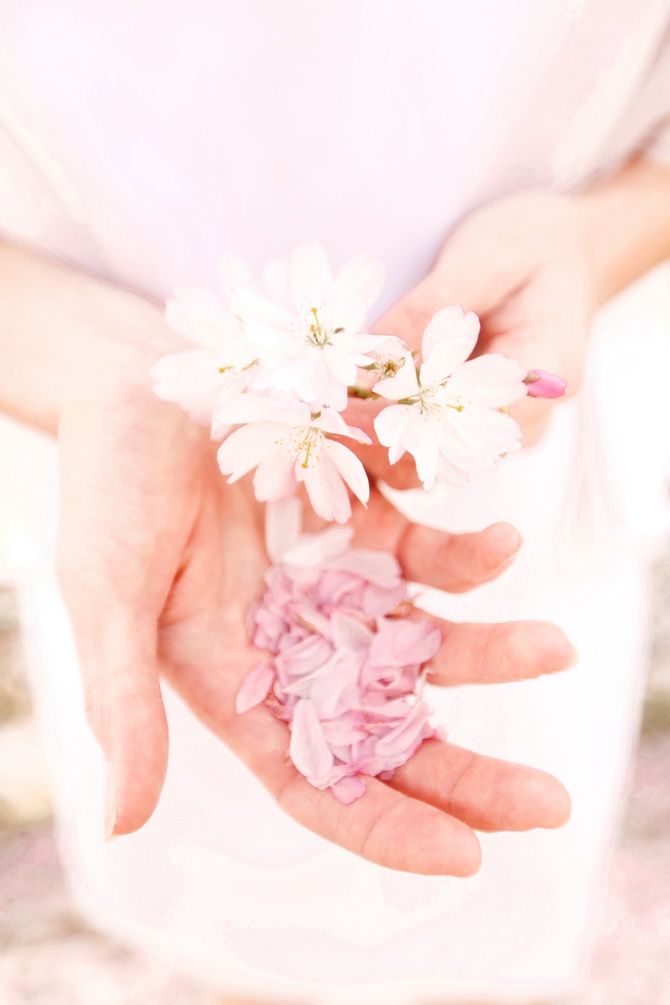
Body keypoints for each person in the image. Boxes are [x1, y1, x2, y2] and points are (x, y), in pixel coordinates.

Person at [2, 2, 670, 1003]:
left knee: (478, 892)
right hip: (130, 456)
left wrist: (597, 234)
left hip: (493, 399)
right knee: (219, 891)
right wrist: (66, 348)